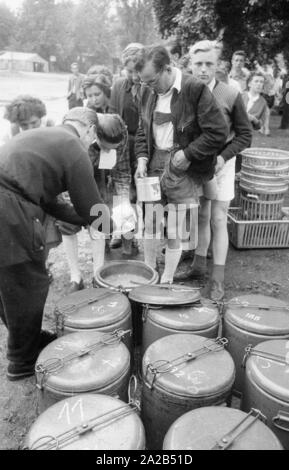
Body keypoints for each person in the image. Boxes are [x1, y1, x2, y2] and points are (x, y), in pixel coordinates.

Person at [0, 107, 110, 380]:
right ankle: (23, 361)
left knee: (8, 280)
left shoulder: (49, 137)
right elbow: (90, 205)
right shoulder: (74, 146)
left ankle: (27, 340)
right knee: (29, 282)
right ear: (90, 130)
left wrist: (86, 220)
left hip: (8, 197)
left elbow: (52, 202)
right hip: (8, 208)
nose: (91, 144)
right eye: (92, 139)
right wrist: (109, 225)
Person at [134, 45, 228, 283]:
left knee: (176, 227)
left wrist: (188, 154)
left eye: (152, 81)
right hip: (154, 163)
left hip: (182, 169)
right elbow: (141, 130)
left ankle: (166, 280)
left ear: (167, 69)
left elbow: (217, 132)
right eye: (144, 82)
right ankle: (149, 274)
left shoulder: (194, 88)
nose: (148, 87)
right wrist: (142, 158)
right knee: (151, 223)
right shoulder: (146, 90)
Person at [174, 40, 252, 301]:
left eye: (209, 64)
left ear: (218, 65)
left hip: (222, 165)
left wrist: (223, 157)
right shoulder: (183, 92)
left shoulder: (230, 94)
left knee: (218, 218)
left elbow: (244, 135)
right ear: (189, 65)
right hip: (196, 164)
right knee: (200, 216)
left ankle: (217, 280)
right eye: (198, 64)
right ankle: (198, 267)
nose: (204, 69)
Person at [57, 107, 134, 293]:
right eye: (105, 146)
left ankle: (98, 274)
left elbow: (122, 173)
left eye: (113, 148)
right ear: (94, 134)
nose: (110, 150)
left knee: (98, 221)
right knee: (68, 227)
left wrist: (123, 202)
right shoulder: (78, 136)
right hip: (71, 177)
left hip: (99, 180)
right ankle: (75, 277)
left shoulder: (119, 137)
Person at [3, 95, 58, 281]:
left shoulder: (51, 128)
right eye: (24, 125)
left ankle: (43, 265)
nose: (29, 129)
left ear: (41, 117)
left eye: (34, 123)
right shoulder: (11, 134)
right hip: (23, 193)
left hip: (47, 190)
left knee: (49, 235)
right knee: (28, 237)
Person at [110, 43, 144, 250]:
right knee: (120, 191)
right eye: (129, 71)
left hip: (144, 147)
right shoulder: (118, 87)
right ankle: (123, 233)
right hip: (122, 145)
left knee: (139, 194)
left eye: (137, 70)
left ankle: (137, 234)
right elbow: (113, 115)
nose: (134, 75)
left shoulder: (150, 86)